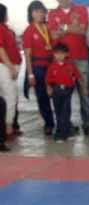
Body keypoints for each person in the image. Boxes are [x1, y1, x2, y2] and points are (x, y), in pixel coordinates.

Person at [48, 0, 89, 136]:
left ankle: (88, 124)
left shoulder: (81, 10)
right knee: (63, 95)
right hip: (62, 60)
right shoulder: (52, 13)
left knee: (85, 93)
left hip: (81, 58)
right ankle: (65, 125)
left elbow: (82, 31)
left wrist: (63, 28)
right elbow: (53, 35)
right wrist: (71, 27)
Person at [23, 0, 55, 136]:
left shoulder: (48, 28)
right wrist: (30, 74)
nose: (39, 14)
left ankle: (64, 122)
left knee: (57, 94)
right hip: (37, 67)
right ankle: (49, 124)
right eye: (36, 11)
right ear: (31, 14)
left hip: (52, 65)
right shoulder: (28, 31)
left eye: (41, 11)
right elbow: (27, 54)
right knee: (42, 96)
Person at [46, 43, 87, 143]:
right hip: (56, 91)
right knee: (58, 112)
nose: (59, 56)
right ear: (53, 54)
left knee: (66, 112)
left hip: (68, 91)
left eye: (61, 53)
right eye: (56, 53)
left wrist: (84, 88)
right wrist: (49, 88)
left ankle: (60, 135)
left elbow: (79, 77)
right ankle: (67, 132)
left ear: (66, 54)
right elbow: (48, 80)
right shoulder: (52, 67)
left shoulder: (71, 65)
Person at [0, 4, 21, 139]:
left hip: (8, 66)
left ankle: (8, 126)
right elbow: (0, 49)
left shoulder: (4, 28)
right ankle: (7, 128)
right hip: (5, 67)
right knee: (10, 97)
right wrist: (10, 66)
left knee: (7, 97)